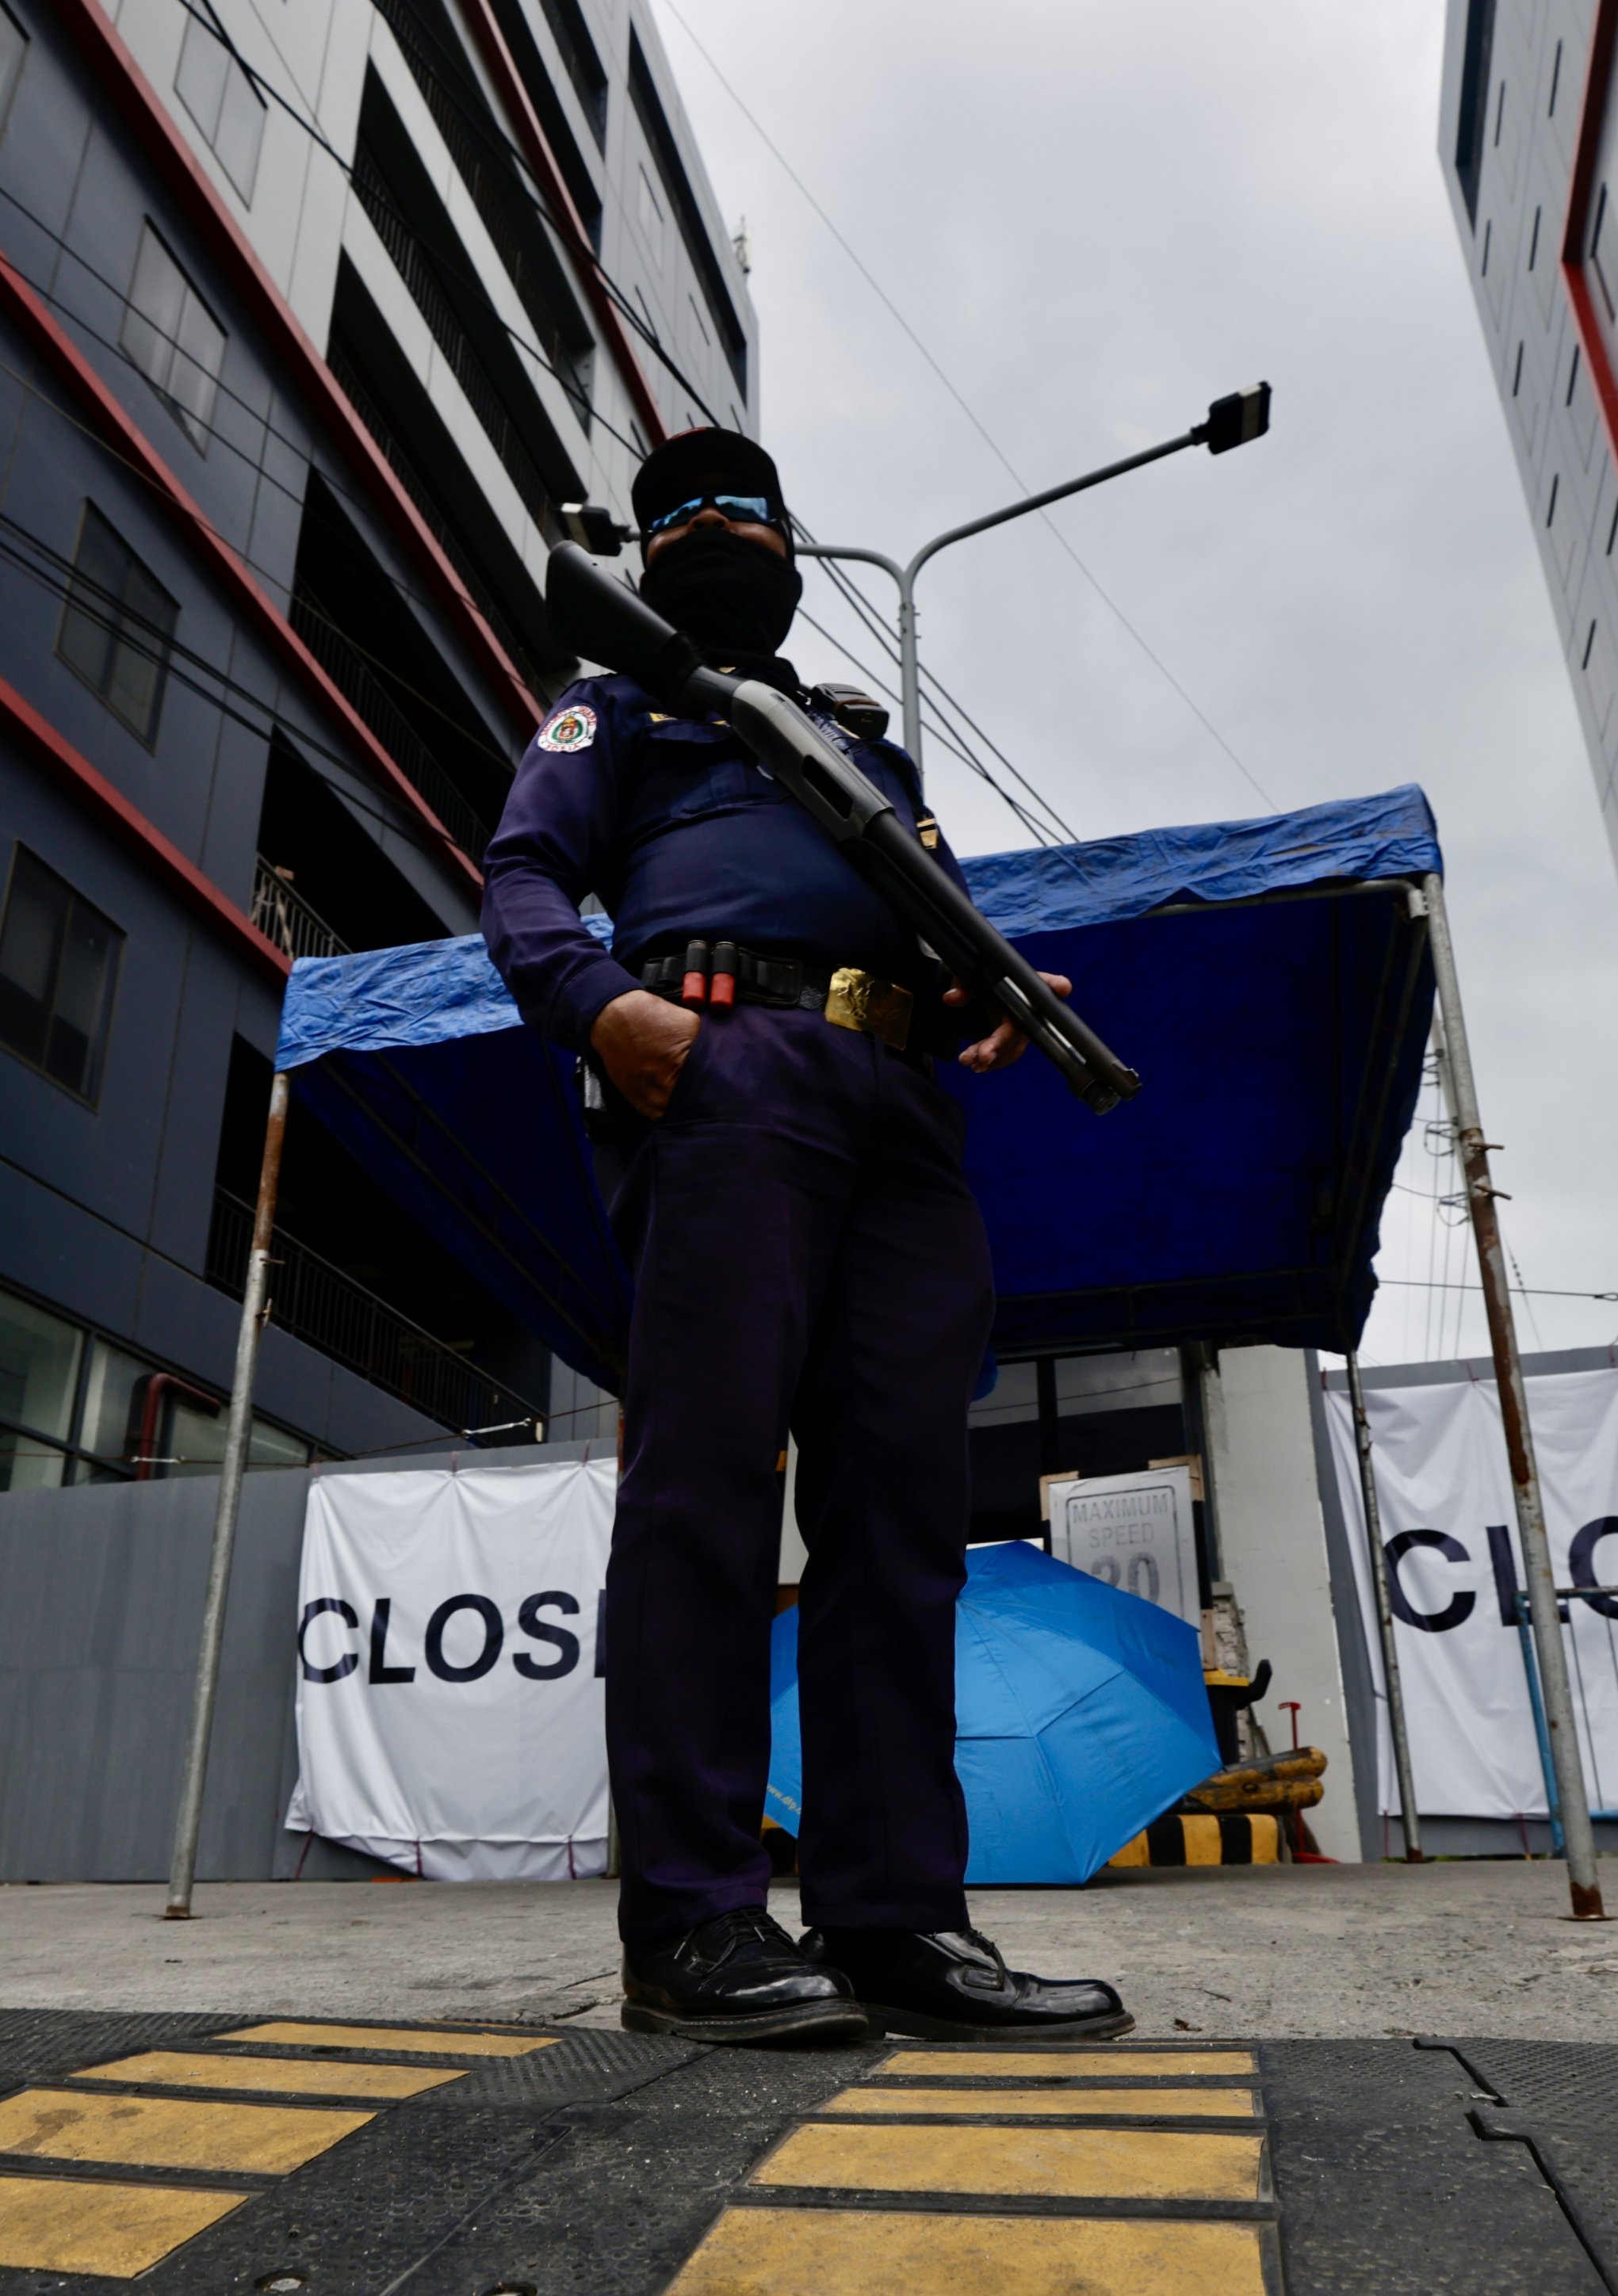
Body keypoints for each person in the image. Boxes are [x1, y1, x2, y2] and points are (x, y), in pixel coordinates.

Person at [482, 428, 1131, 2045]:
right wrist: (597, 1007)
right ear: (640, 557)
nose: (715, 523)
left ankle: (894, 1913)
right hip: (721, 1068)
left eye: (744, 505)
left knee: (899, 1520)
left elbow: (930, 908)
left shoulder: (853, 742)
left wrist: (990, 985)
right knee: (705, 1496)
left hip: (900, 1112)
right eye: (679, 509)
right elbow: (521, 875)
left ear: (789, 545)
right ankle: (692, 1925)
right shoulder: (620, 700)